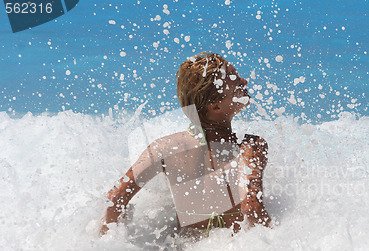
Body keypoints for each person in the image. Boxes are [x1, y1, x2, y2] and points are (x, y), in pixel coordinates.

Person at [100, 52, 271, 236]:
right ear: (215, 106)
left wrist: (110, 246)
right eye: (235, 80)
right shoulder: (249, 146)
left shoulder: (164, 148)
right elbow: (252, 208)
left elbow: (115, 198)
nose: (244, 81)